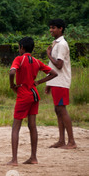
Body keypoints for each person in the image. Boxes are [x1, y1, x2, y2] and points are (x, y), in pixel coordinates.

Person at [7, 37, 57, 166]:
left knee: (15, 127)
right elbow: (53, 73)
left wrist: (12, 85)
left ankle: (14, 160)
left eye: (19, 47)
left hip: (24, 94)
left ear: (22, 47)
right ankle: (33, 157)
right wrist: (39, 82)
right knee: (32, 126)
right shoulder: (36, 61)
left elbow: (12, 71)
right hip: (35, 95)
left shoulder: (19, 59)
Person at [45, 19, 77, 149]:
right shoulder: (56, 43)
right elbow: (53, 66)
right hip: (56, 82)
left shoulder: (62, 44)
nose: (51, 30)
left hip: (61, 82)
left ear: (61, 29)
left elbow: (58, 65)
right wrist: (49, 82)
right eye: (50, 28)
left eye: (53, 28)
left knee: (62, 110)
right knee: (58, 110)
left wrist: (48, 55)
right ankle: (61, 140)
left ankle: (71, 142)